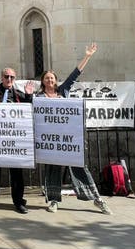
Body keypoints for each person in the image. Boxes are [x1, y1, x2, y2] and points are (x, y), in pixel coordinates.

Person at [37, 43, 112, 215]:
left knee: (79, 168)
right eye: (47, 78)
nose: (50, 80)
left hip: (68, 138)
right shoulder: (39, 97)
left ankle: (97, 199)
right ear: (42, 81)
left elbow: (74, 75)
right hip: (51, 141)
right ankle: (53, 200)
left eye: (52, 78)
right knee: (52, 170)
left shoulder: (63, 91)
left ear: (55, 80)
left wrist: (87, 56)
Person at [0, 67, 34, 214]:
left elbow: (28, 109)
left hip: (15, 140)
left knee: (16, 172)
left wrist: (29, 95)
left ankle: (19, 202)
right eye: (6, 77)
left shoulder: (19, 94)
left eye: (12, 77)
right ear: (2, 78)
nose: (9, 79)